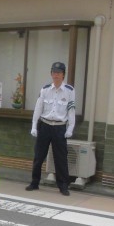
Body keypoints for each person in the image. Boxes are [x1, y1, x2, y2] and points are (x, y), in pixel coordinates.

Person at [26, 61, 76, 196]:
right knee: (38, 156)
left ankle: (63, 186)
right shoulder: (45, 89)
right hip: (44, 126)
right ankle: (34, 182)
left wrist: (70, 128)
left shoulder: (70, 91)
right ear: (51, 74)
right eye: (54, 72)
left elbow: (71, 110)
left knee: (61, 158)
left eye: (59, 73)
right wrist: (34, 126)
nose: (56, 75)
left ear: (63, 75)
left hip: (59, 128)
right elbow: (38, 108)